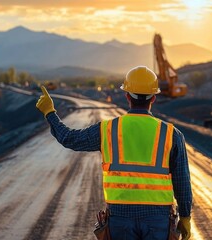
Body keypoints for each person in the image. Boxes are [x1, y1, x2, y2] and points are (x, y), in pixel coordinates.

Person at [36, 66, 192, 240]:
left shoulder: (108, 130)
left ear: (127, 96)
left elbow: (69, 138)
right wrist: (185, 216)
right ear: (153, 98)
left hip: (119, 218)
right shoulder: (171, 134)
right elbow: (182, 181)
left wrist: (50, 113)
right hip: (158, 219)